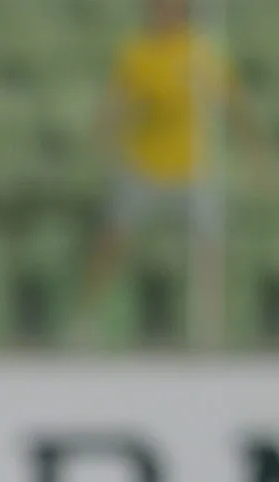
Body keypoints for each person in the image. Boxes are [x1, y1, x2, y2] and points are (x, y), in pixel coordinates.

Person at [76, 0, 272, 345]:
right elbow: (115, 103)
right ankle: (87, 318)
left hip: (193, 168)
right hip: (144, 165)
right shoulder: (138, 53)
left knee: (211, 243)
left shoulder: (201, 52)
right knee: (112, 239)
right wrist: (106, 137)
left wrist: (255, 154)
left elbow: (233, 105)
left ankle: (211, 324)